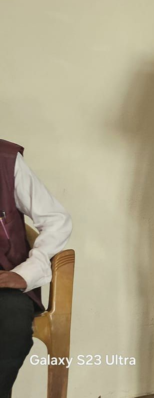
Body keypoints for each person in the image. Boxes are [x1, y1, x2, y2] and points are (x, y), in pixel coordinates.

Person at [0, 140, 72, 398]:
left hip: (2, 279)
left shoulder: (6, 160)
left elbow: (56, 220)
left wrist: (26, 273)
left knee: (12, 324)